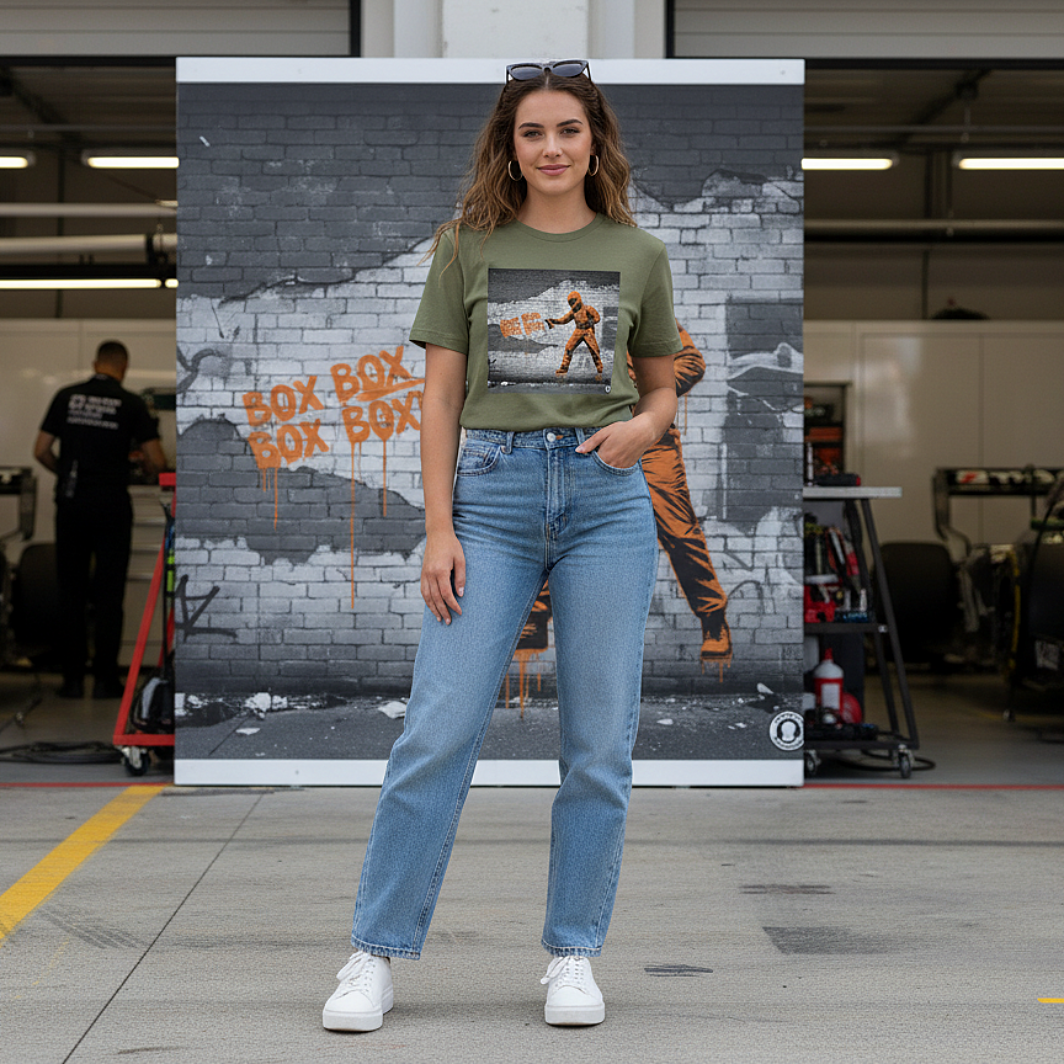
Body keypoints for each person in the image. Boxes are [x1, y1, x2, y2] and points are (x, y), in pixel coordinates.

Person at [323, 59, 682, 1033]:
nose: (552, 147)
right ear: (508, 145)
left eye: (568, 129)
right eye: (532, 132)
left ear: (594, 140)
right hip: (488, 499)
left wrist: (646, 429)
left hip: (606, 503)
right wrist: (437, 528)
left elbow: (661, 387)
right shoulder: (466, 249)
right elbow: (438, 399)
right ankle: (376, 951)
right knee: (434, 731)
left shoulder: (637, 253)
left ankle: (572, 952)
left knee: (597, 743)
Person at [34, 341, 166, 699]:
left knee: (71, 592)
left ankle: (72, 680)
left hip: (72, 502)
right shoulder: (132, 403)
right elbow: (156, 459)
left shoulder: (66, 396)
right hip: (111, 504)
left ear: (96, 363)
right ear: (123, 367)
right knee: (110, 593)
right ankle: (107, 680)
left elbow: (41, 449)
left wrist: (66, 473)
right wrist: (140, 463)